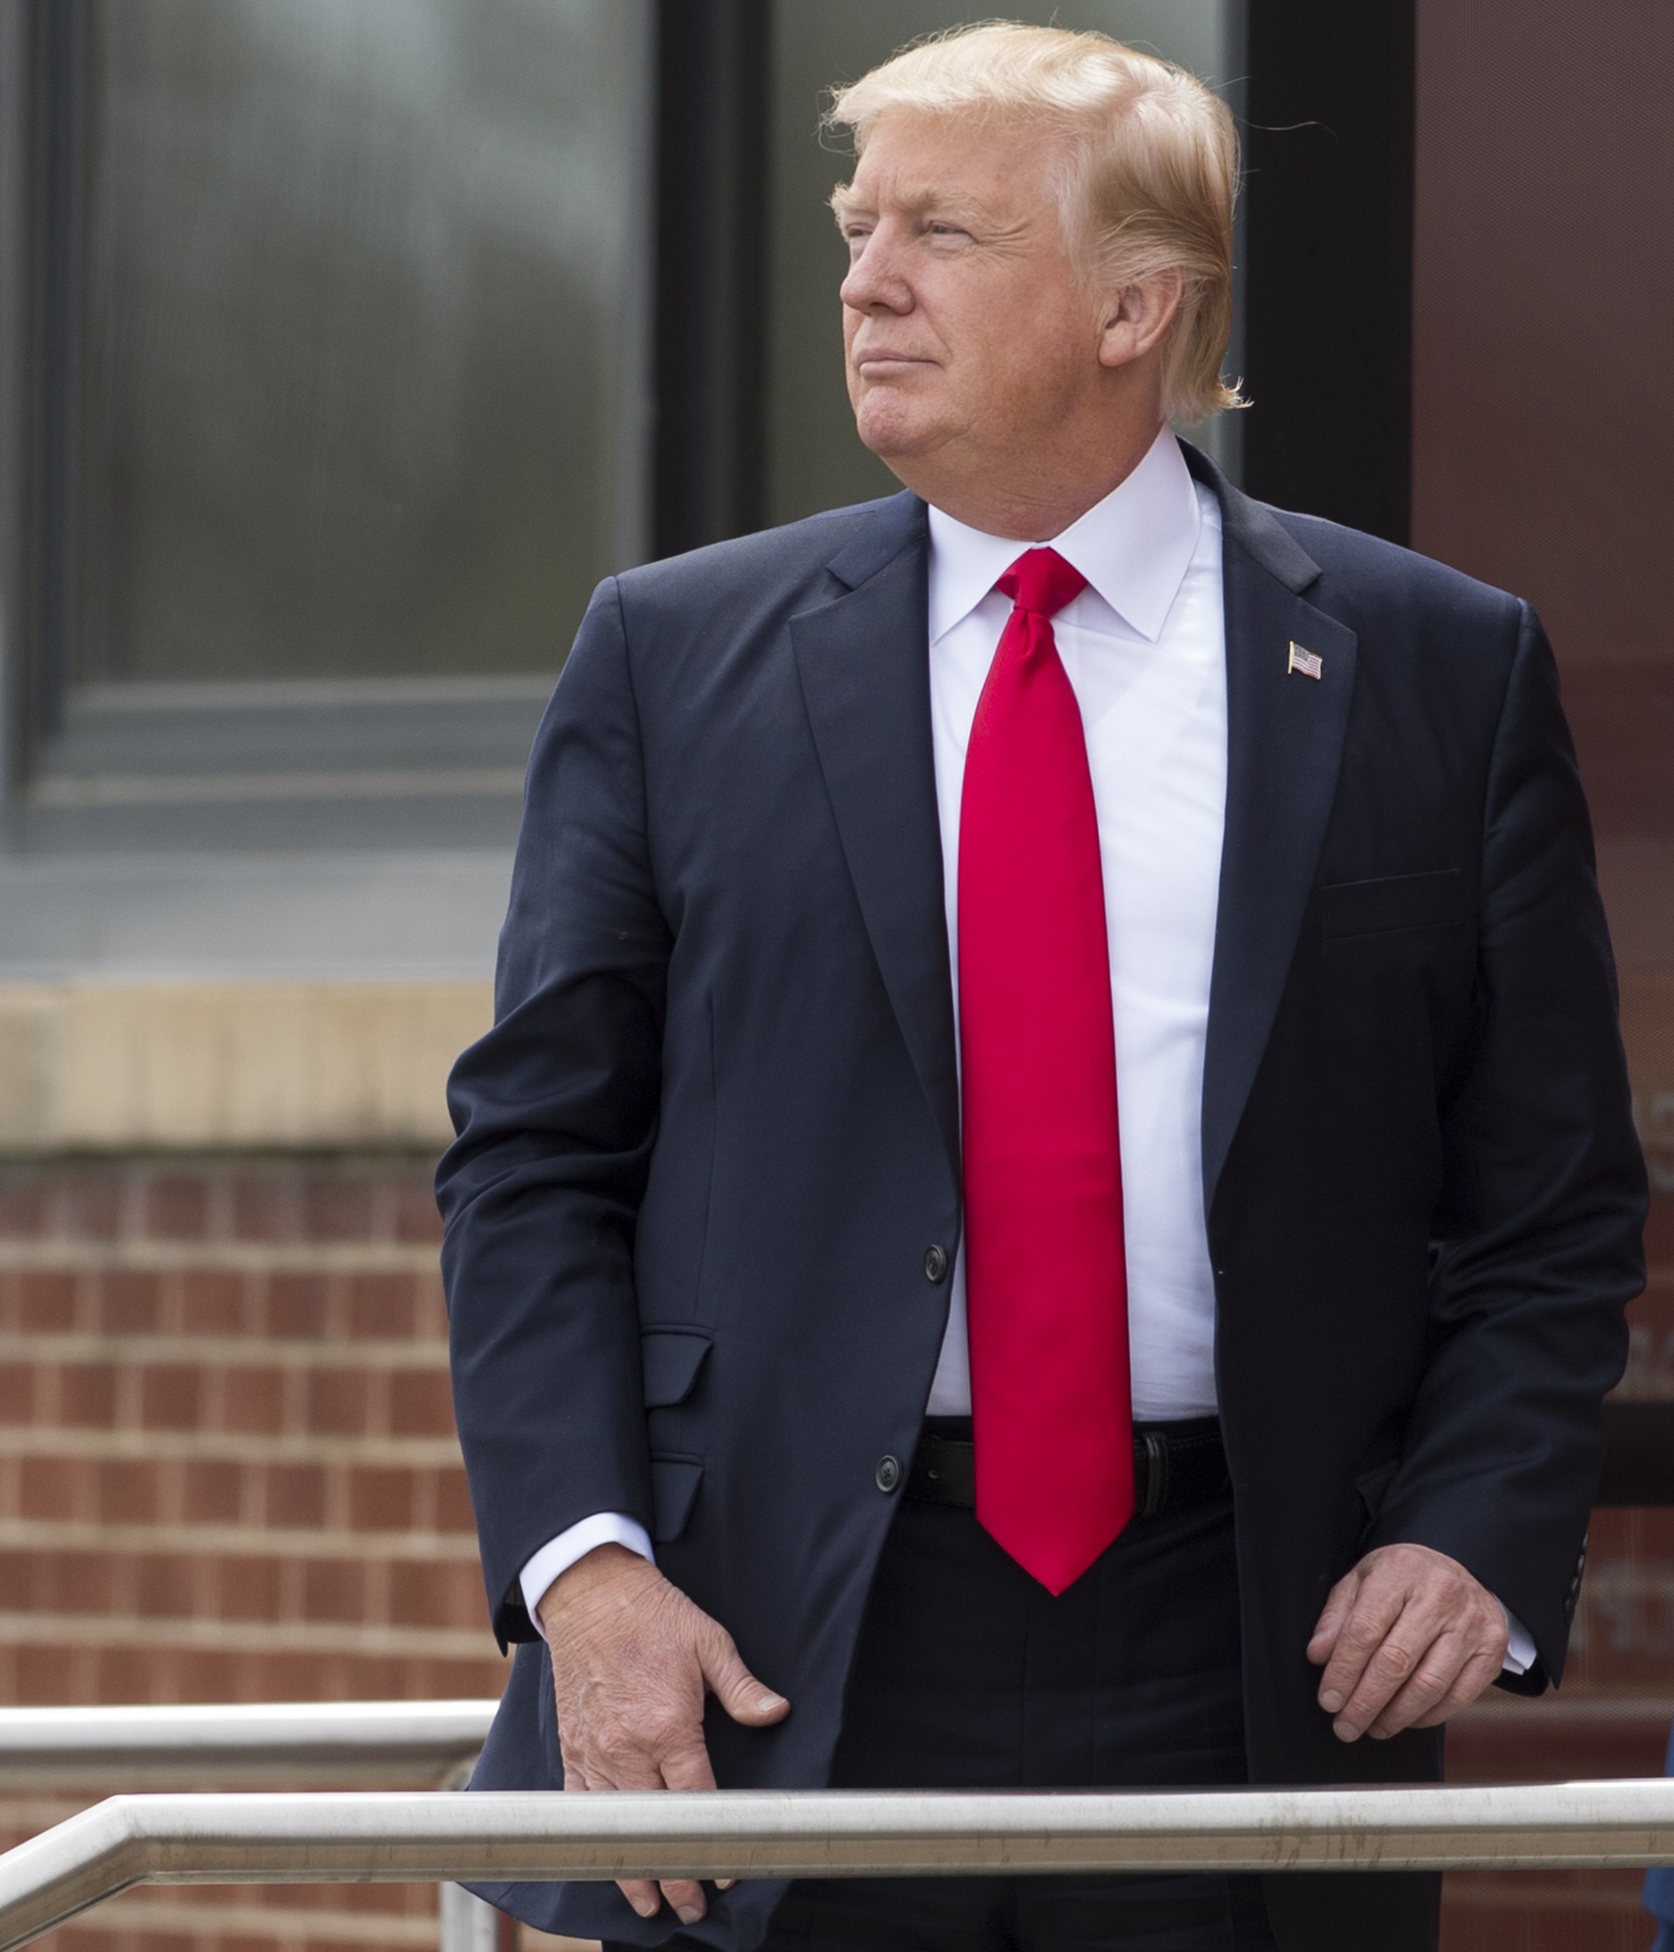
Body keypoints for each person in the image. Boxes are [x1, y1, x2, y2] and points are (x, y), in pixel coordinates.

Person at [437, 24, 1643, 1952]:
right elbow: (533, 1163)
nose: (862, 279)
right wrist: (588, 1572)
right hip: (779, 1644)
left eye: (942, 228)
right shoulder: (671, 659)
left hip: (1249, 1640)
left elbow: (1551, 1198)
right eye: (852, 226)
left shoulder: (1436, 667)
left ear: (1134, 303)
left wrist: (1469, 1528)